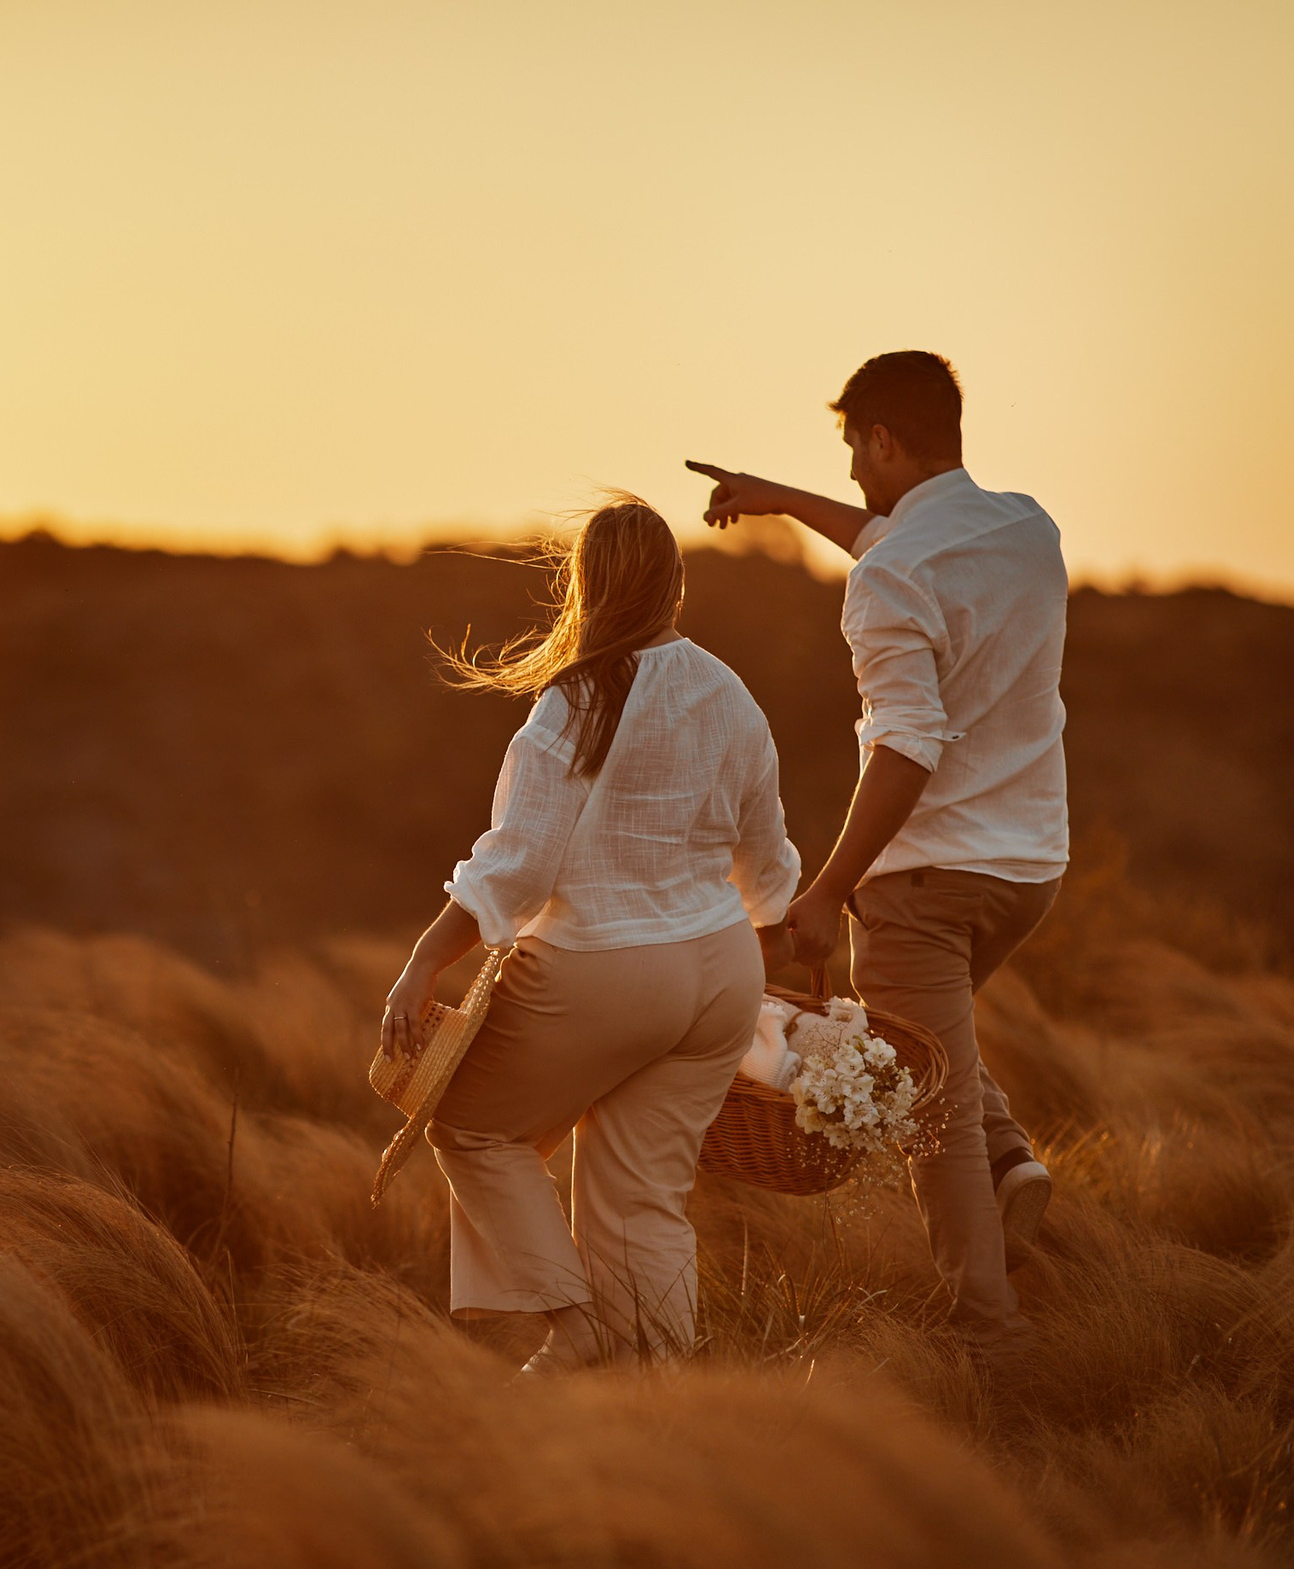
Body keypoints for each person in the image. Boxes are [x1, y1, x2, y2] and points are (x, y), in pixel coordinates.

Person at [688, 350, 1067, 1367]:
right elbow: (901, 542)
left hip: (925, 883)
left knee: (924, 1109)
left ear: (883, 438)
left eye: (854, 448)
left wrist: (828, 890)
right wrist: (777, 499)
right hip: (1029, 867)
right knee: (928, 1048)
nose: (852, 472)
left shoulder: (889, 577)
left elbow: (906, 740)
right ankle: (1008, 1160)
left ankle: (987, 1340)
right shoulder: (1028, 532)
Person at [380, 497, 801, 1372]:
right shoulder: (730, 693)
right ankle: (661, 1400)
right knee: (642, 1201)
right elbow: (767, 859)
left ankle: (575, 1327)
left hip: (607, 969)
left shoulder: (573, 702)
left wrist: (423, 960)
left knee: (467, 1125)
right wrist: (782, 957)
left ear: (585, 587)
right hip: (721, 971)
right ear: (675, 585)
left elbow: (516, 868)